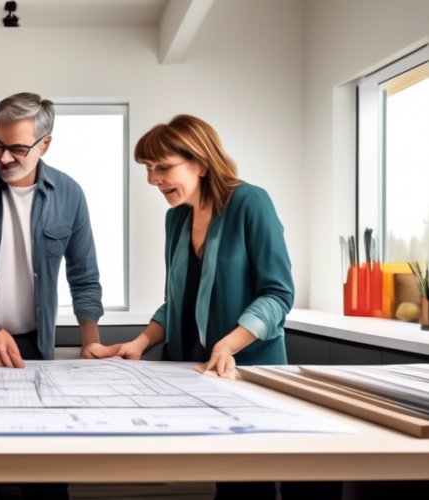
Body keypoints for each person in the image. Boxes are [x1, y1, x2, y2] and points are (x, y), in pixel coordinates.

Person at [109, 115, 340, 500]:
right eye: (149, 169)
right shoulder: (176, 217)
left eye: (163, 168)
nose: (153, 180)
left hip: (248, 373)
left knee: (249, 482)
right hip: (196, 376)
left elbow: (278, 294)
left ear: (200, 162)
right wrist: (140, 342)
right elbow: (177, 301)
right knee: (229, 480)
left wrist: (227, 344)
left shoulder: (250, 202)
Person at [0, 92, 117, 500]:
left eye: (17, 148)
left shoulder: (70, 194)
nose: (4, 157)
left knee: (43, 474)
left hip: (33, 351)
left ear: (45, 143)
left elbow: (84, 276)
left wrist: (91, 345)